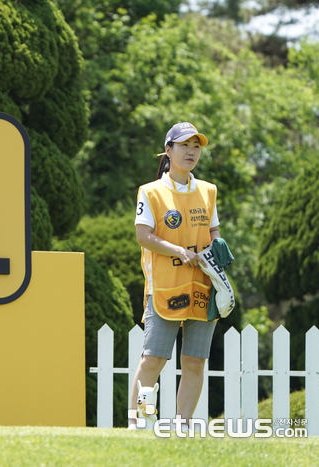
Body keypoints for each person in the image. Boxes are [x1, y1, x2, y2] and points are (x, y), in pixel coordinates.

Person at [129, 122, 221, 431]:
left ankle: (182, 427)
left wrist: (219, 251)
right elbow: (144, 236)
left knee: (194, 362)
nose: (191, 151)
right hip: (166, 286)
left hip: (203, 284)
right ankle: (138, 423)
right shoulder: (151, 191)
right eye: (184, 145)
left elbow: (213, 232)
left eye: (196, 146)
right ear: (168, 151)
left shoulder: (208, 191)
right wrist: (178, 251)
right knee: (153, 360)